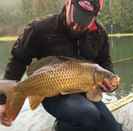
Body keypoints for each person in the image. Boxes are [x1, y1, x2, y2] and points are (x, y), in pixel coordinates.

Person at [0, 0, 122, 131]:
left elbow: (105, 63)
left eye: (84, 21)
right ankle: (61, 127)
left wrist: (111, 85)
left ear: (95, 15)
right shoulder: (40, 29)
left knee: (112, 128)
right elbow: (18, 59)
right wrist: (2, 100)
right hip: (50, 90)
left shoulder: (99, 34)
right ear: (68, 3)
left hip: (84, 91)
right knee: (87, 114)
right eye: (76, 18)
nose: (77, 26)